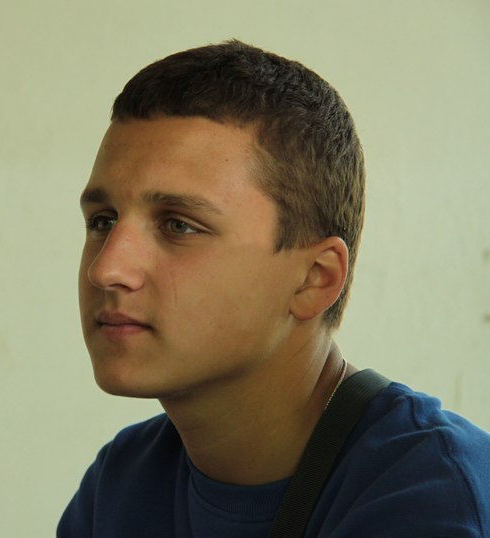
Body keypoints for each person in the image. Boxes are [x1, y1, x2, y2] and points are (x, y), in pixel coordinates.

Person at [58, 40, 490, 537]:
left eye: (179, 225)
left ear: (315, 278)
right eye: (102, 220)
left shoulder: (429, 495)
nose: (107, 269)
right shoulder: (120, 484)